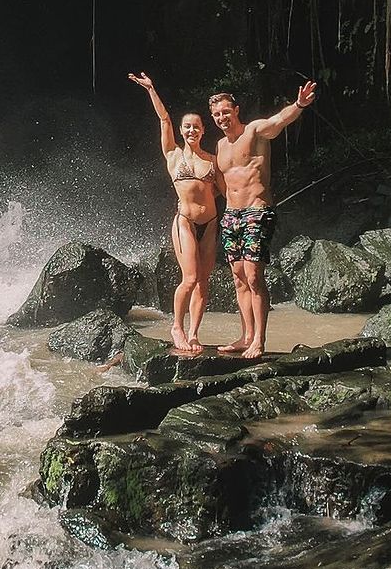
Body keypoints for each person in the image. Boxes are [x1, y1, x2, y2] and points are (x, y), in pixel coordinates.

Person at [210, 81, 317, 360]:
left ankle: (259, 339)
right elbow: (222, 182)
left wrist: (299, 105)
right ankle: (246, 336)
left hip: (257, 211)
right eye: (217, 114)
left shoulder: (254, 131)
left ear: (236, 110)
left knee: (254, 276)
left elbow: (279, 120)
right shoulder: (220, 146)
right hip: (231, 215)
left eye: (225, 112)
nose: (222, 117)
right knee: (238, 278)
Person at [129, 73, 220, 355]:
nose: (192, 130)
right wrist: (151, 89)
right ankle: (177, 327)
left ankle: (193, 334)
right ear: (181, 131)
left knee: (203, 283)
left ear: (203, 130)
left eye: (196, 127)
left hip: (211, 223)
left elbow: (225, 190)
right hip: (185, 223)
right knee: (190, 278)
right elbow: (164, 119)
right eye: (187, 127)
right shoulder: (173, 155)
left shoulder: (213, 160)